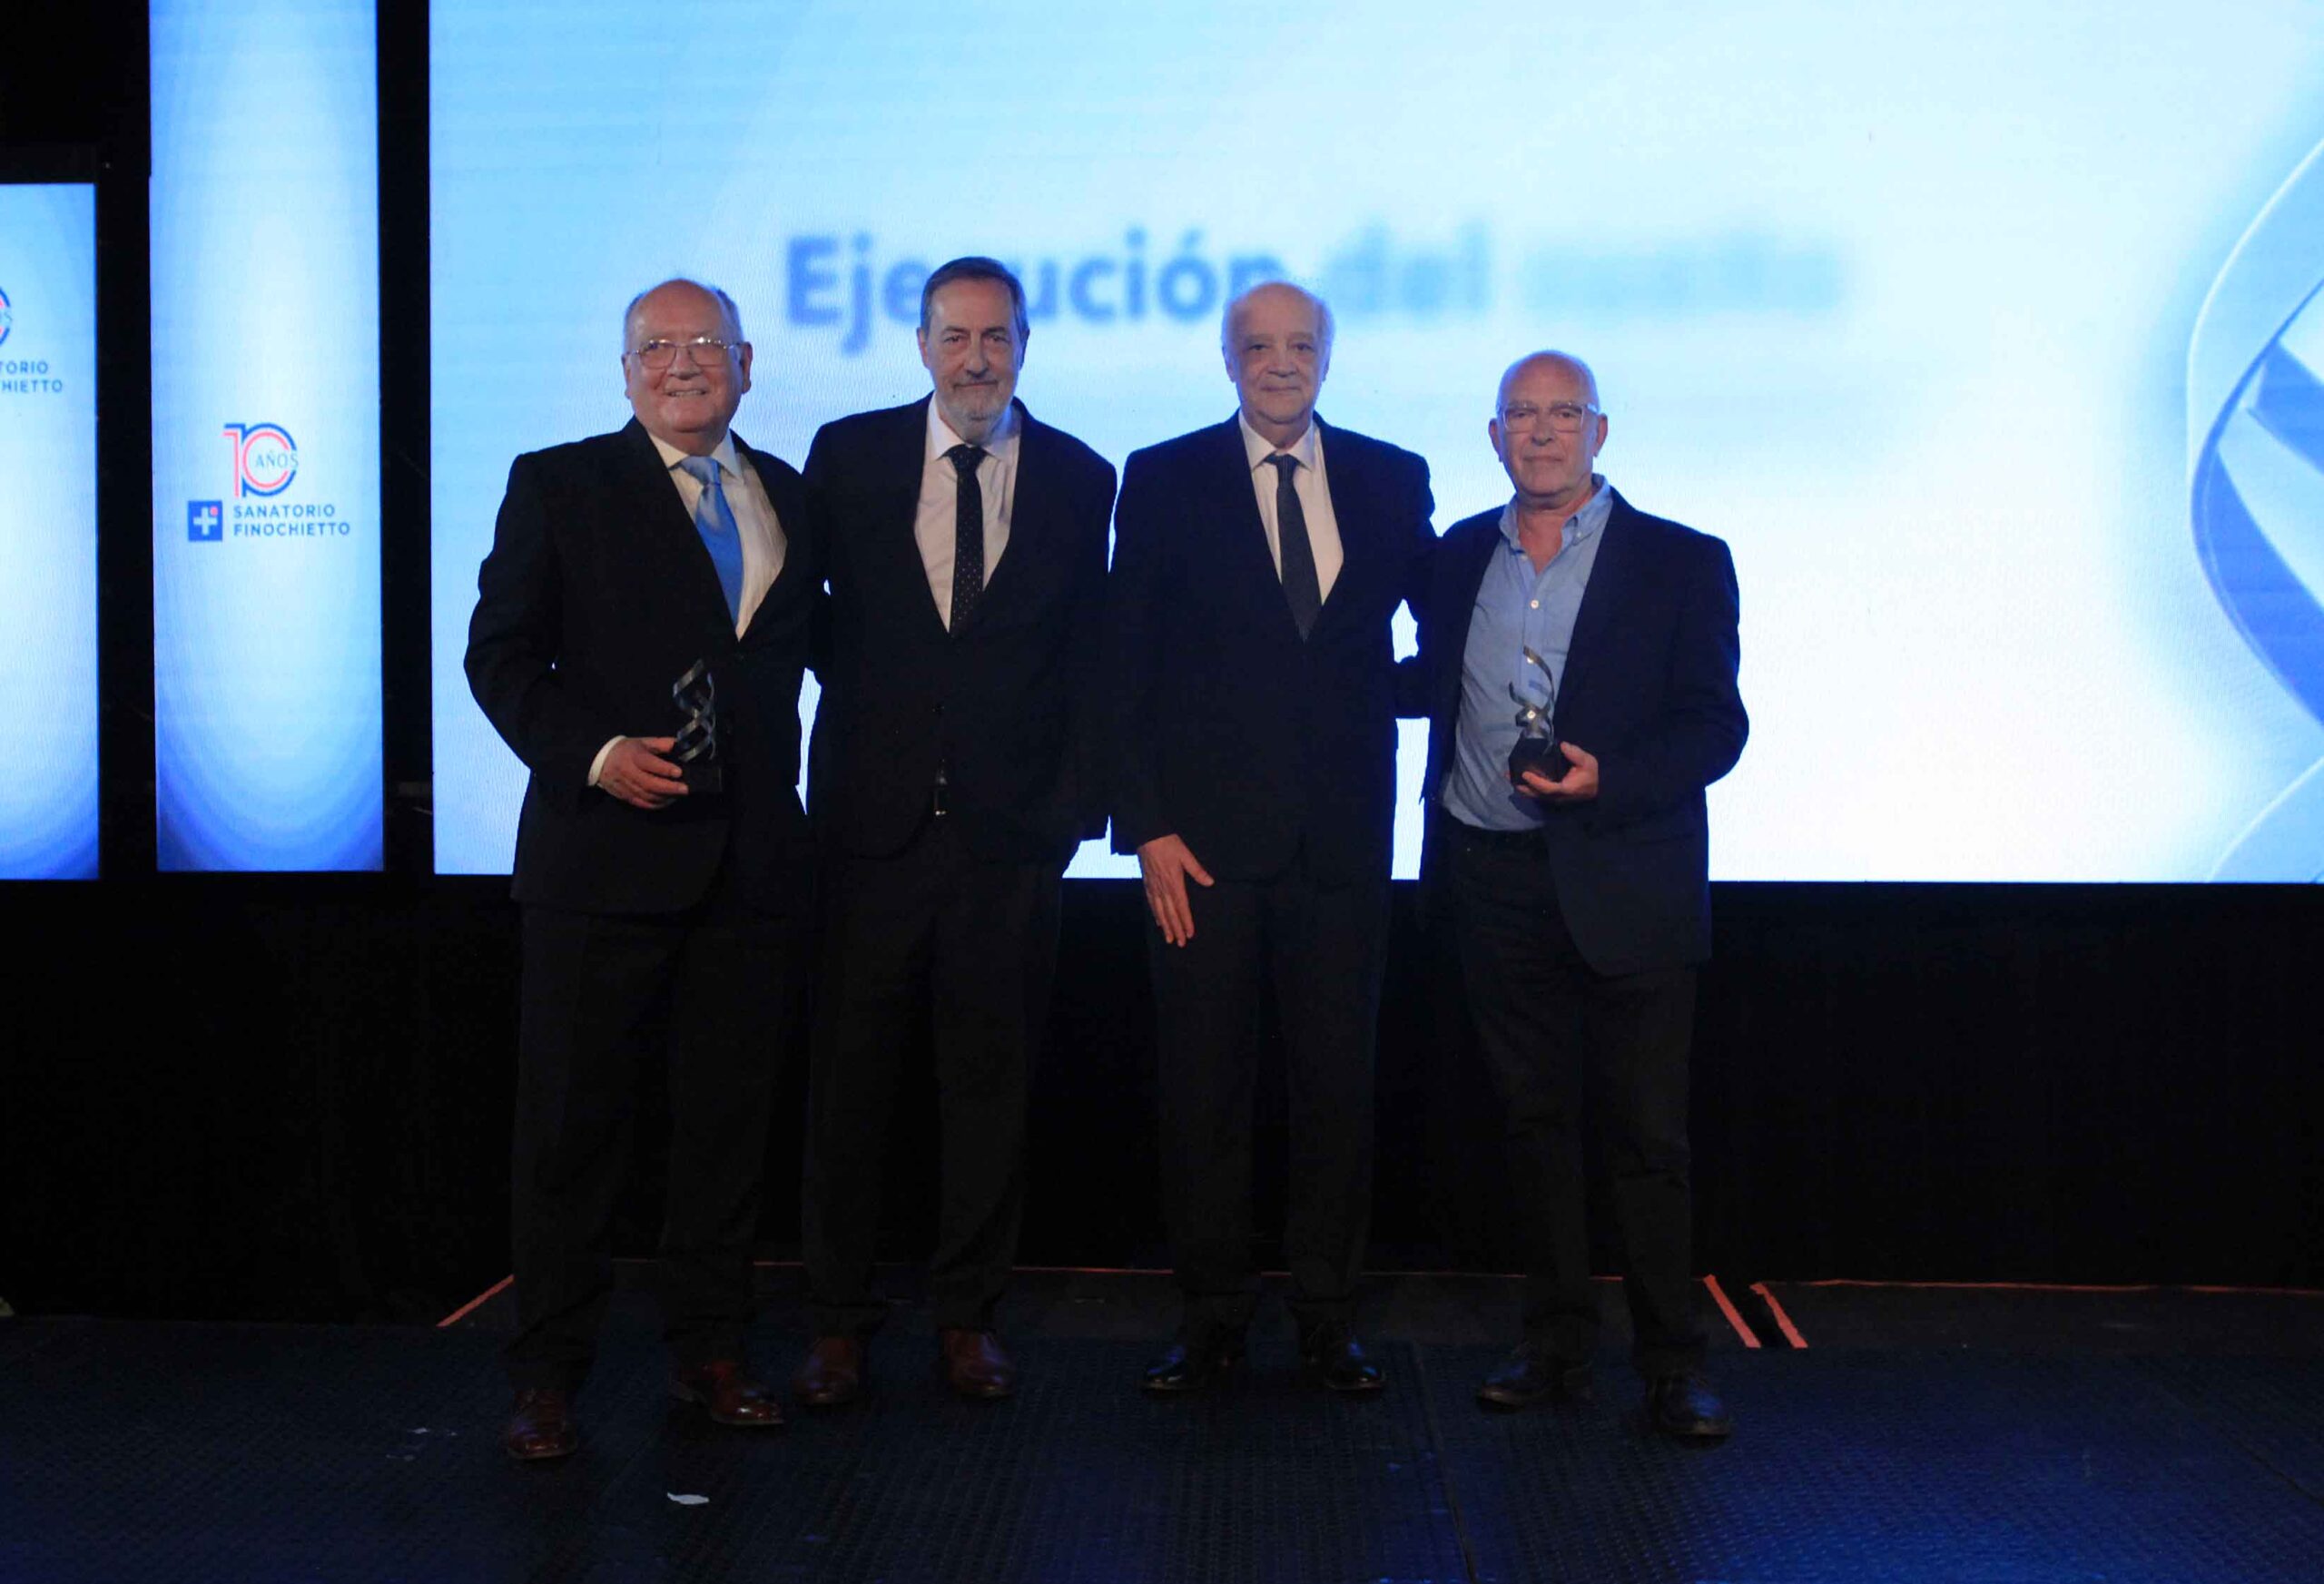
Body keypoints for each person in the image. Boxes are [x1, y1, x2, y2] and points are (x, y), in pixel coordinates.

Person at [465, 279, 815, 1460]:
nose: (683, 363)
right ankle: (548, 1375)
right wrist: (595, 753)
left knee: (725, 1135)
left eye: (706, 343)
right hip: (599, 869)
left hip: (751, 873)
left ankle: (711, 1353)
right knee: (571, 1138)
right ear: (625, 372)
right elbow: (499, 655)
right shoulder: (558, 484)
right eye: (657, 346)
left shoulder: (791, 495)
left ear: (747, 365)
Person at [793, 257, 1115, 1405]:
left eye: (997, 337)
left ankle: (968, 1317)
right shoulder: (847, 456)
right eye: (956, 336)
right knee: (848, 1090)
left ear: (1024, 344)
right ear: (922, 344)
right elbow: (806, 620)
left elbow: (1088, 655)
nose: (977, 358)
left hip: (1008, 842)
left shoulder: (1082, 475)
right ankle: (837, 1322)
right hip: (869, 832)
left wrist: (1069, 814)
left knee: (989, 1089)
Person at [1107, 281, 1433, 1394]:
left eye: (1300, 345)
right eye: (1259, 345)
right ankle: (1211, 1315)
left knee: (1336, 1092)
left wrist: (1388, 698)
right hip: (1199, 850)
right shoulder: (1163, 475)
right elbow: (1125, 662)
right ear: (1228, 358)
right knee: (1204, 1091)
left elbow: (1443, 631)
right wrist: (1145, 824)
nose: (1280, 362)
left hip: (1340, 844)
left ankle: (1327, 1316)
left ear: (1327, 358)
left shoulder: (1391, 476)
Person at [1414, 351, 1747, 1441]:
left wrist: (1615, 779)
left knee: (1647, 1137)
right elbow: (1428, 682)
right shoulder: (1458, 553)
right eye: (1522, 413)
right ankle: (1554, 1343)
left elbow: (1716, 725)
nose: (1543, 431)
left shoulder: (1682, 560)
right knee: (1533, 1126)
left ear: (1600, 432)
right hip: (1490, 875)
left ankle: (1670, 1362)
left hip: (1626, 877)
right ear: (1494, 434)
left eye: (1564, 413)